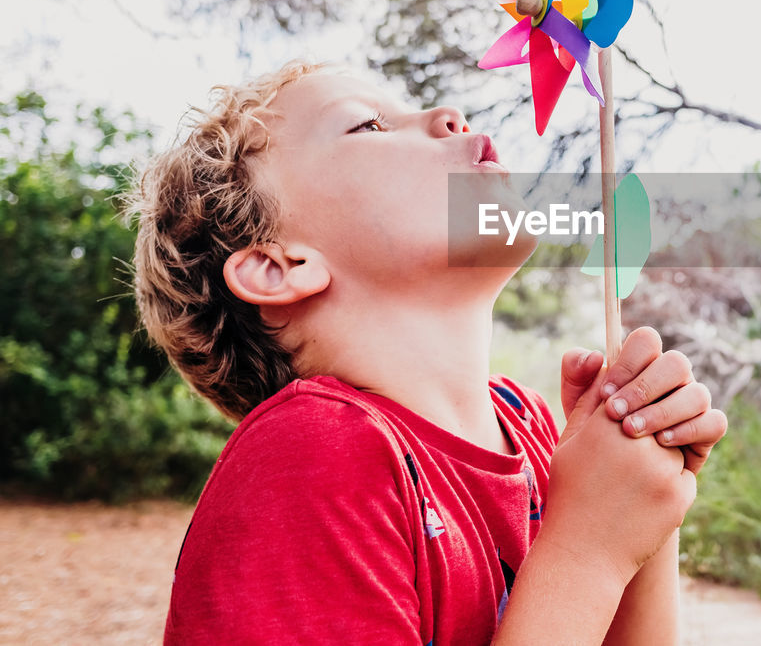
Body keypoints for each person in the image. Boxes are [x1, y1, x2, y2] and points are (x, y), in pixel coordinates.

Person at [128, 60, 728, 644]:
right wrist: (588, 547)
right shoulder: (309, 454)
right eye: (369, 124)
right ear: (278, 266)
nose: (450, 115)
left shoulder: (533, 427)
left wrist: (641, 497)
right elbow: (585, 561)